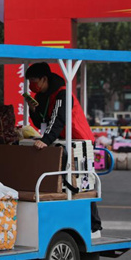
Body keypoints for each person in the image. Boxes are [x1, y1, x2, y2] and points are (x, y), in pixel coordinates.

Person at [25, 62, 102, 236]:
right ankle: (76, 222)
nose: (31, 85)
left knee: (83, 184)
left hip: (80, 141)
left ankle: (94, 227)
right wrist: (32, 110)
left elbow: (58, 120)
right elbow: (42, 121)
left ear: (44, 79)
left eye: (34, 81)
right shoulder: (42, 95)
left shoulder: (62, 93)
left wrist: (45, 140)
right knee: (67, 184)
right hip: (64, 141)